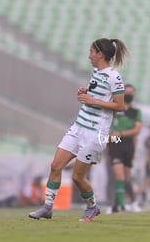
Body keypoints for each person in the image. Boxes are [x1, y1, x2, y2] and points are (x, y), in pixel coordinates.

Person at [28, 38, 129, 222]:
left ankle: (92, 207)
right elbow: (94, 96)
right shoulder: (96, 72)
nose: (89, 55)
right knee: (55, 166)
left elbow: (120, 106)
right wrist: (84, 94)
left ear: (100, 54)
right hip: (78, 127)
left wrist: (93, 101)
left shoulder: (115, 76)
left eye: (91, 51)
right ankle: (48, 207)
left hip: (96, 133)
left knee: (77, 176)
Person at [107, 84, 142, 213]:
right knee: (118, 175)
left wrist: (121, 133)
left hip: (128, 145)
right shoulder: (115, 110)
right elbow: (106, 127)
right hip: (115, 143)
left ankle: (117, 205)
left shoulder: (136, 112)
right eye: (126, 92)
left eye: (131, 92)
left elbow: (137, 130)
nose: (128, 94)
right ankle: (121, 204)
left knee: (124, 178)